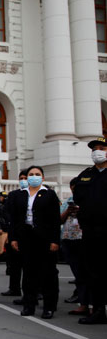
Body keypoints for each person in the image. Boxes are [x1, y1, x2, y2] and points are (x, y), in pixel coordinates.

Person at [7, 165, 61, 319]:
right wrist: (14, 238)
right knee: (29, 273)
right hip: (26, 237)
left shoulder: (49, 194)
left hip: (45, 239)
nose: (33, 177)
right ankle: (29, 305)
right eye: (31, 174)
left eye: (37, 174)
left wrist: (54, 240)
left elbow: (55, 220)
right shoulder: (19, 195)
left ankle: (49, 307)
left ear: (42, 178)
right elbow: (15, 219)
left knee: (48, 273)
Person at [73, 137, 107, 324]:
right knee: (94, 271)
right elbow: (78, 196)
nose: (97, 152)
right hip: (91, 231)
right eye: (94, 149)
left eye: (102, 148)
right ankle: (98, 309)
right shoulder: (86, 174)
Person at [61, 177, 88, 316]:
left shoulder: (90, 199)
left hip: (85, 240)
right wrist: (68, 211)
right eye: (73, 187)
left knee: (90, 273)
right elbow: (59, 219)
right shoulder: (68, 201)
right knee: (78, 273)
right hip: (69, 240)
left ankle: (94, 304)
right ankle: (83, 303)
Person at [1, 169, 28, 299]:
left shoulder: (40, 194)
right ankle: (14, 288)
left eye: (25, 177)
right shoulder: (14, 195)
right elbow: (6, 212)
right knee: (14, 264)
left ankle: (34, 291)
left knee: (31, 266)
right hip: (15, 233)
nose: (23, 180)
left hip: (30, 234)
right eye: (21, 178)